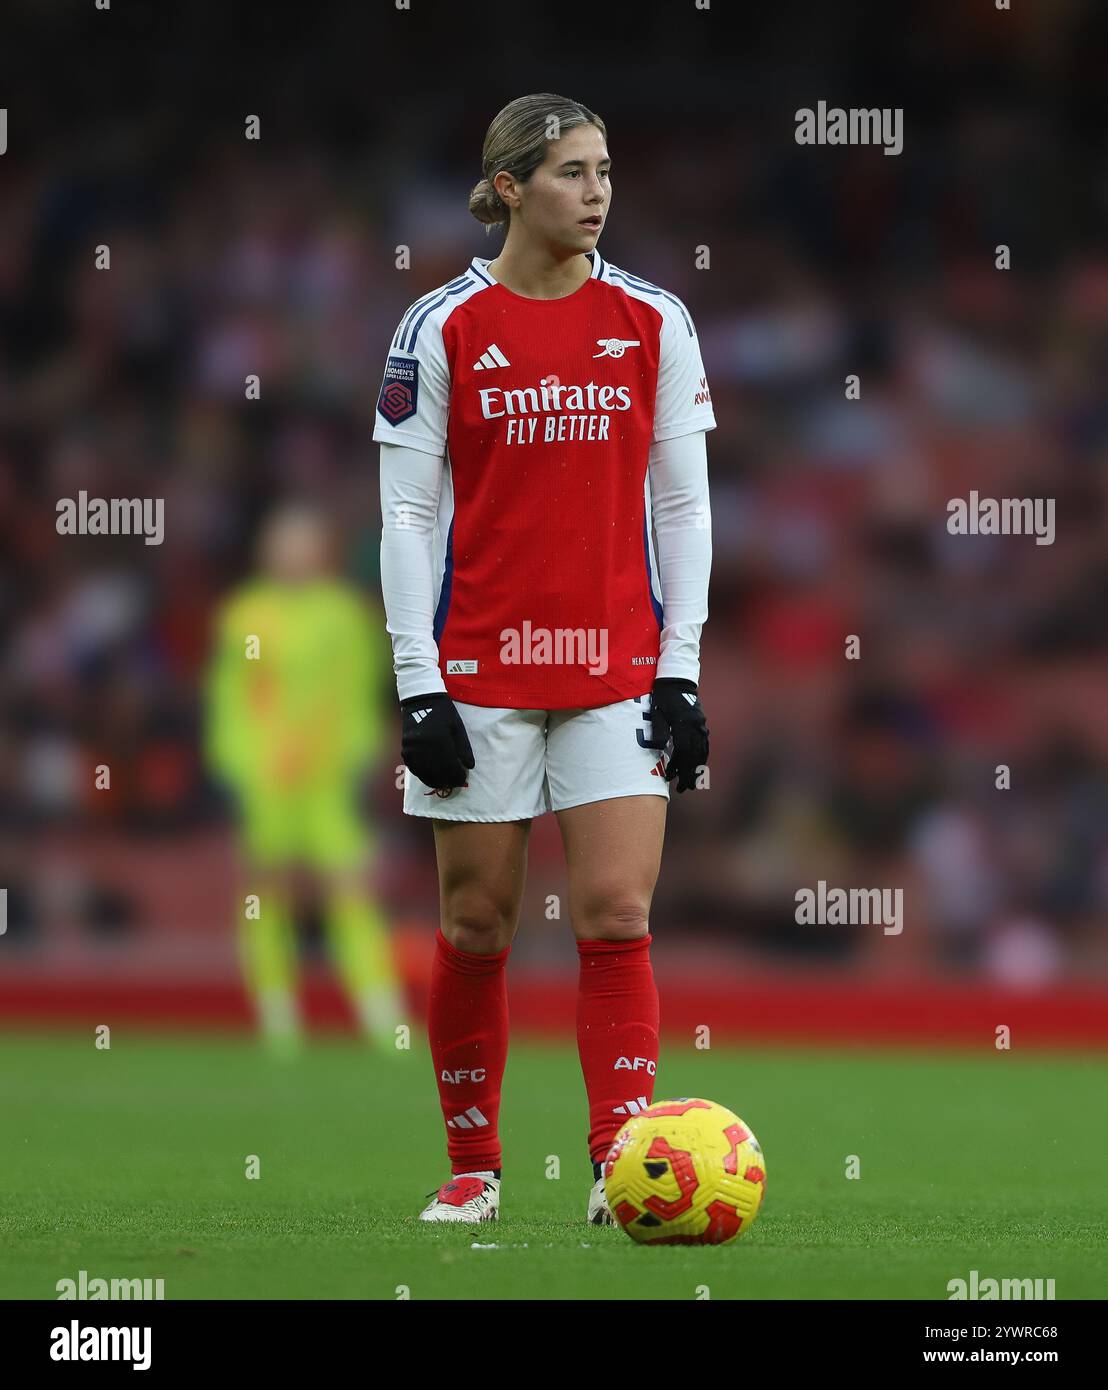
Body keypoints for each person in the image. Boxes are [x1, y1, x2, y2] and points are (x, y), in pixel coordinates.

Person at [373, 93, 714, 1223]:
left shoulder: (655, 319)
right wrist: (419, 682)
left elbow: (684, 504)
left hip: (616, 669)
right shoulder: (439, 327)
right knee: (477, 925)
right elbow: (409, 519)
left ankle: (624, 1171)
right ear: (510, 187)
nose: (598, 193)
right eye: (573, 172)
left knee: (616, 911)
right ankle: (473, 1167)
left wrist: (682, 666)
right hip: (479, 672)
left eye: (607, 171)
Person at [204, 502, 407, 1056]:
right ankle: (276, 1014)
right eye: (282, 543)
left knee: (350, 887)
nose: (292, 555)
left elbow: (358, 698)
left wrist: (347, 758)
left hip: (326, 780)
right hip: (266, 778)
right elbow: (230, 700)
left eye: (302, 544)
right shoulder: (245, 616)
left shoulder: (344, 616)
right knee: (265, 891)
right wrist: (242, 764)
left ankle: (379, 1011)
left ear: (322, 552)